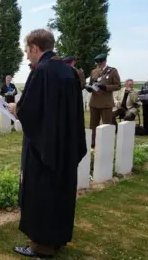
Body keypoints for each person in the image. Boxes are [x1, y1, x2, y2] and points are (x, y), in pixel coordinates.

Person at [13, 29, 86, 258]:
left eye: (27, 51)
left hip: (43, 148)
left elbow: (29, 111)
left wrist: (16, 109)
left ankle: (41, 245)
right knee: (61, 192)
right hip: (65, 146)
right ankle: (57, 238)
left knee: (41, 192)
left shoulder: (41, 71)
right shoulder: (69, 71)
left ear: (35, 48)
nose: (27, 56)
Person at [85, 53, 121, 148]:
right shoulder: (94, 71)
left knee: (106, 125)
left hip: (106, 103)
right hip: (94, 102)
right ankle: (93, 142)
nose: (99, 64)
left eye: (100, 62)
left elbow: (118, 86)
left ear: (105, 61)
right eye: (97, 62)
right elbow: (92, 83)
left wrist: (105, 87)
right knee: (93, 125)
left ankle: (106, 144)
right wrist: (89, 87)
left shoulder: (112, 71)